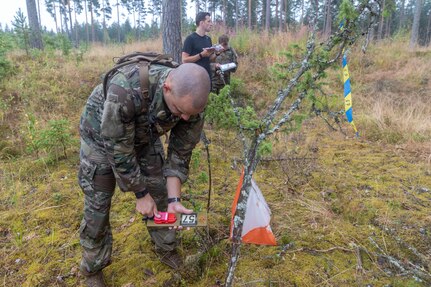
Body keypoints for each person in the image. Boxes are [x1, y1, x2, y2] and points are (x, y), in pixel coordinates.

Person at [78, 61, 211, 286]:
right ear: (167, 88)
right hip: (101, 139)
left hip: (144, 136)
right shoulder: (125, 89)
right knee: (98, 205)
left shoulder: (192, 104)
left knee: (159, 192)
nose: (185, 118)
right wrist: (140, 194)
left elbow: (180, 154)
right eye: (179, 111)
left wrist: (174, 200)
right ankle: (93, 267)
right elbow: (118, 149)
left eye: (189, 114)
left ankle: (165, 247)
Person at [182, 11, 217, 78]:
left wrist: (217, 53)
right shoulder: (190, 39)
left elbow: (209, 59)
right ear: (201, 23)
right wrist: (201, 55)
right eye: (209, 21)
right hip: (194, 78)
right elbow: (184, 60)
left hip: (207, 76)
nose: (211, 24)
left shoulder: (208, 39)